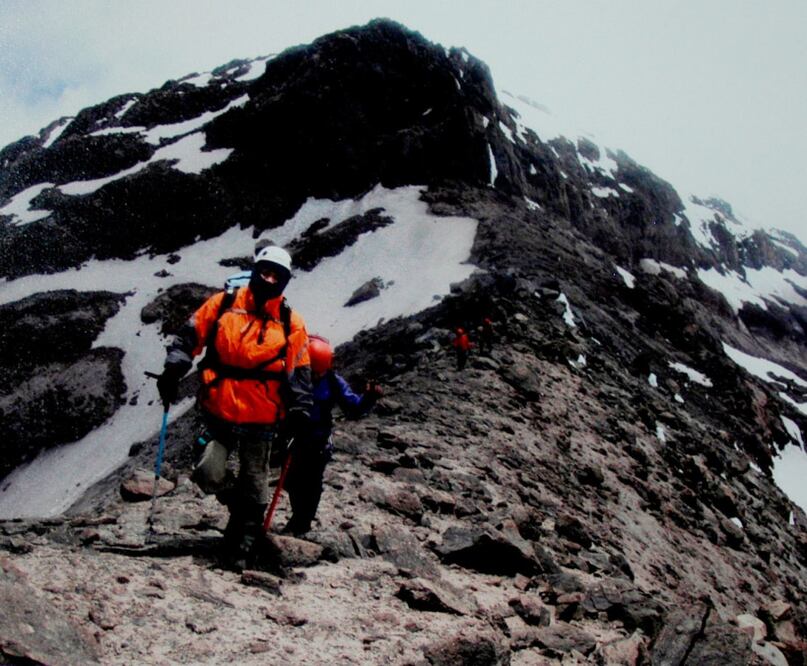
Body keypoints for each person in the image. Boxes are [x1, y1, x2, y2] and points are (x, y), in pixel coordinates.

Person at [156, 245, 313, 569]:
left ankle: (245, 542)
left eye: (276, 275)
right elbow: (189, 338)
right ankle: (240, 512)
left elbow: (299, 369)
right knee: (208, 471)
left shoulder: (290, 321)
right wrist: (173, 370)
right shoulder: (223, 304)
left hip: (264, 415)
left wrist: (300, 408)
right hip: (220, 409)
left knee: (256, 480)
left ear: (284, 281)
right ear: (255, 271)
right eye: (264, 271)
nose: (269, 279)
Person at [282, 335, 382, 535]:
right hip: (293, 435)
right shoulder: (292, 376)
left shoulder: (334, 382)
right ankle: (299, 517)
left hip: (318, 438)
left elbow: (353, 408)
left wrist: (369, 398)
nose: (316, 377)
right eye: (313, 372)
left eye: (319, 373)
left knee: (312, 482)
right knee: (291, 480)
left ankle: (302, 522)